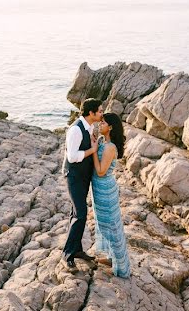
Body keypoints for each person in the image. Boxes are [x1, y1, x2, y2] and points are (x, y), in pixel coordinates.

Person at [62, 98, 104, 270]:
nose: (102, 113)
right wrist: (93, 150)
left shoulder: (89, 127)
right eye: (100, 111)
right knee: (80, 214)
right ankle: (68, 255)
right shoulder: (76, 130)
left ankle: (77, 250)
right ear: (91, 113)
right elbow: (72, 157)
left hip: (83, 176)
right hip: (73, 176)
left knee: (75, 214)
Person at [91, 112, 131, 278]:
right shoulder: (102, 142)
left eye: (103, 123)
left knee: (112, 227)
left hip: (105, 188)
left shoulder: (110, 147)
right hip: (98, 189)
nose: (100, 125)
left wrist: (93, 151)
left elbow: (100, 171)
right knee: (103, 224)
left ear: (111, 127)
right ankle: (111, 257)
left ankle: (121, 267)